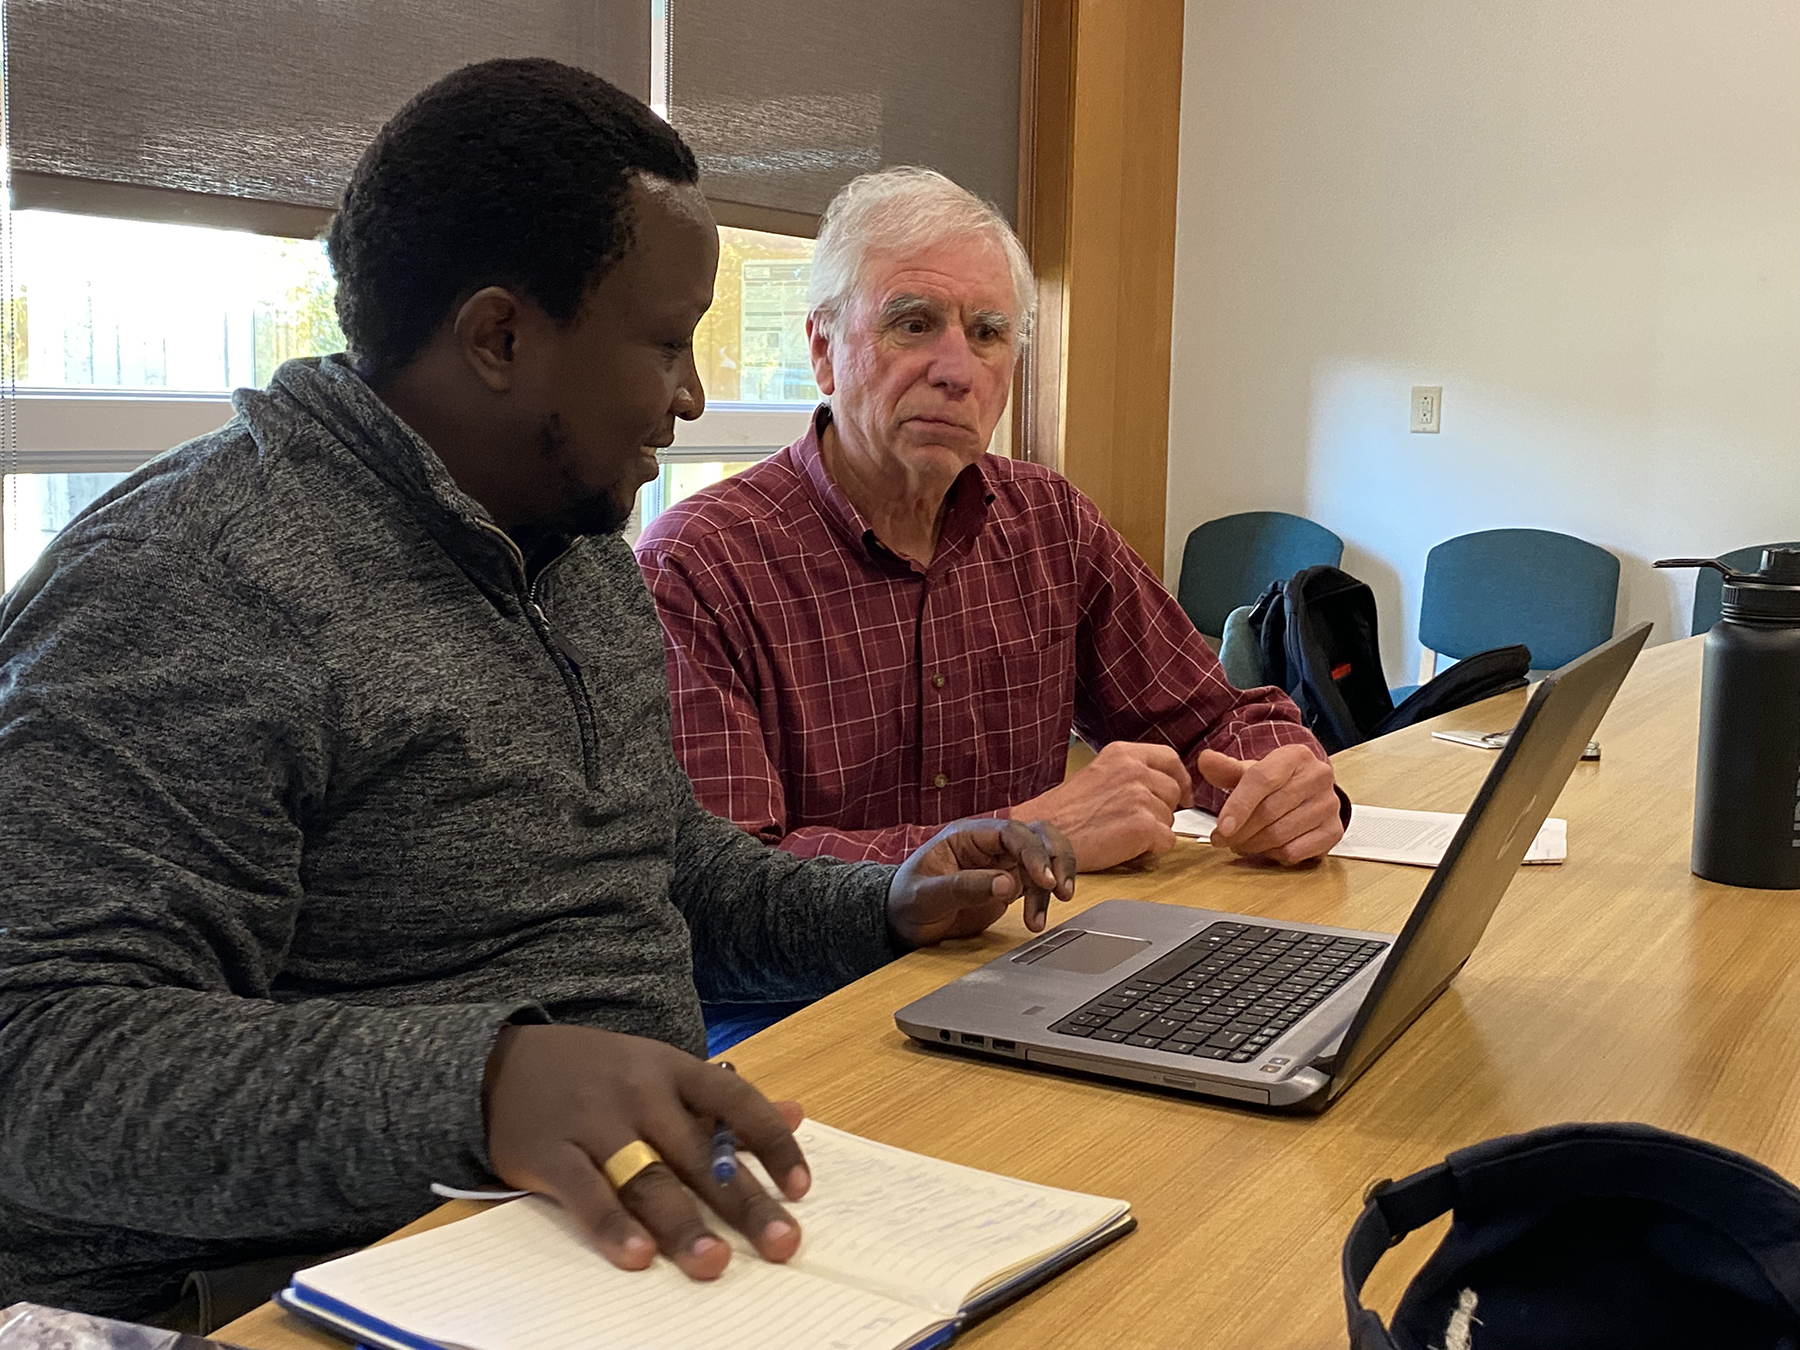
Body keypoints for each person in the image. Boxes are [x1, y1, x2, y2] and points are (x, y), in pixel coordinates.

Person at [0, 63, 1074, 1329]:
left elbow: (661, 872)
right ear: (502, 338)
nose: (690, 395)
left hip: (599, 1226)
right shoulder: (189, 585)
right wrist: (485, 1085)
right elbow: (37, 1059)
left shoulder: (572, 552)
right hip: (283, 1291)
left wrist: (880, 906)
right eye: (668, 344)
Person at [636, 167, 1349, 878]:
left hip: (1034, 961)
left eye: (987, 333)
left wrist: (1286, 782)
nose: (957, 370)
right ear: (822, 349)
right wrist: (1018, 836)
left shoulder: (1052, 524)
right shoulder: (699, 566)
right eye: (913, 323)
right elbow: (726, 881)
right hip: (824, 989)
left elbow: (1213, 719)